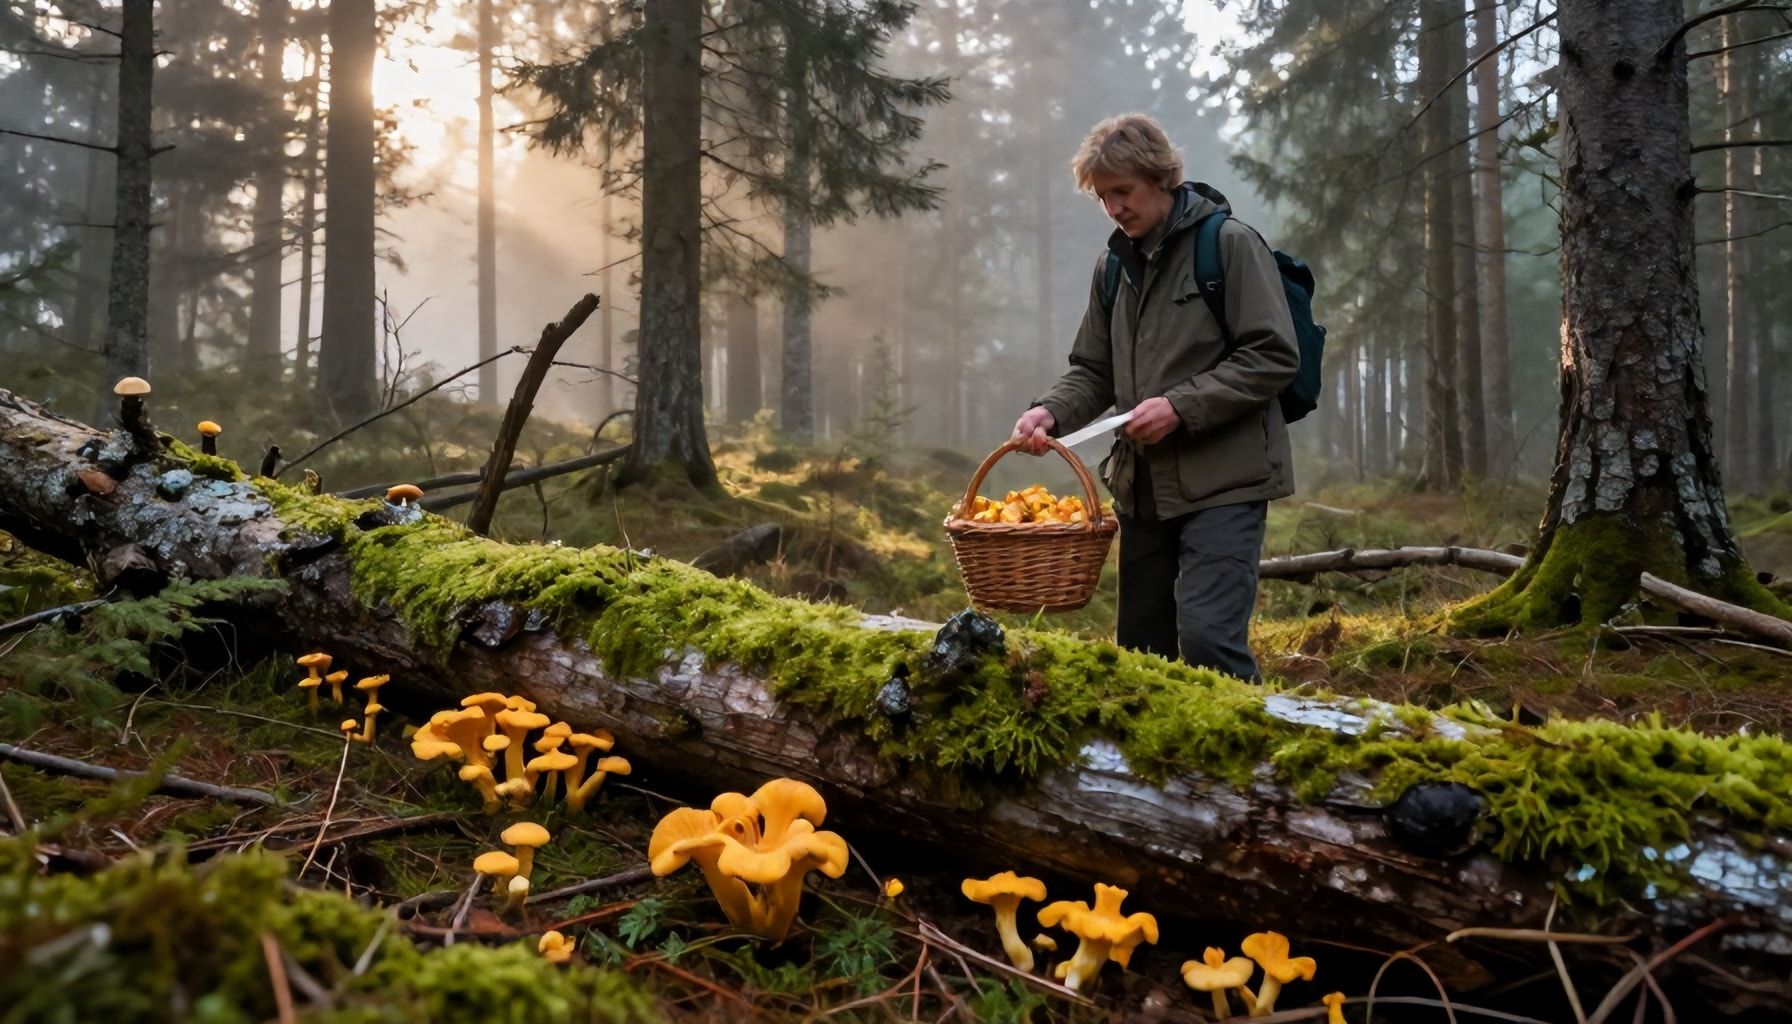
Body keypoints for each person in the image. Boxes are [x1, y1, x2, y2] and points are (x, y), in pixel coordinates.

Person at [1011, 113, 1298, 682]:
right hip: (1141, 493)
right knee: (1142, 657)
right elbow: (1093, 369)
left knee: (1209, 643)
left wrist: (1180, 407)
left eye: (1123, 191)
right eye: (1102, 197)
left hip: (1225, 486)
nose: (1114, 208)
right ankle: (1150, 775)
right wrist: (1051, 410)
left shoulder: (1230, 246)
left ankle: (1242, 769)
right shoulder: (1114, 267)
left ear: (1161, 178)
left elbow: (1273, 355)